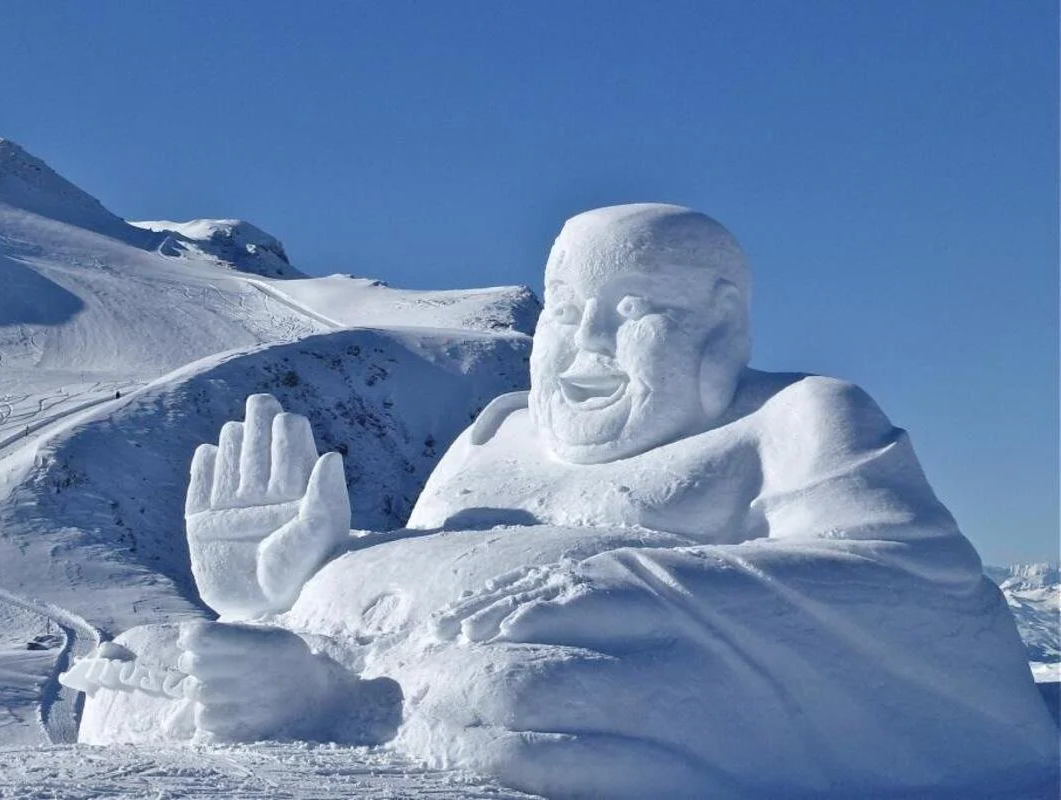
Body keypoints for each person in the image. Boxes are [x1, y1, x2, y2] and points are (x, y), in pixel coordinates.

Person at [64, 205, 1057, 798]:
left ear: (721, 325)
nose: (582, 341)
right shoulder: (494, 433)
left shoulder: (798, 420)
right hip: (382, 684)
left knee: (520, 694)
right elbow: (428, 598)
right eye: (563, 312)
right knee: (135, 671)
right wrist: (286, 593)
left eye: (631, 314)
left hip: (550, 696)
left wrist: (589, 580)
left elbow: (924, 624)